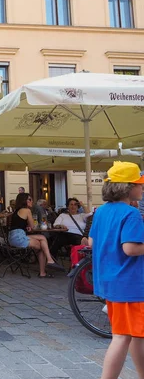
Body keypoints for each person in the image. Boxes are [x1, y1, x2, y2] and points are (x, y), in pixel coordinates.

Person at [89, 162, 144, 379]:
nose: (142, 188)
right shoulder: (130, 213)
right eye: (139, 184)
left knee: (135, 335)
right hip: (129, 284)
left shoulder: (101, 211)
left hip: (111, 282)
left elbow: (92, 242)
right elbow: (130, 249)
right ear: (127, 187)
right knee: (122, 337)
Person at [8, 192, 64, 278]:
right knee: (42, 245)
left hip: (13, 236)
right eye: (30, 199)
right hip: (19, 237)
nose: (32, 201)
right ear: (24, 201)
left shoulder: (17, 211)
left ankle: (48, 262)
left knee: (42, 238)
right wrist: (30, 227)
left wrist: (27, 227)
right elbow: (33, 227)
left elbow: (20, 225)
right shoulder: (27, 210)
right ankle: (46, 267)